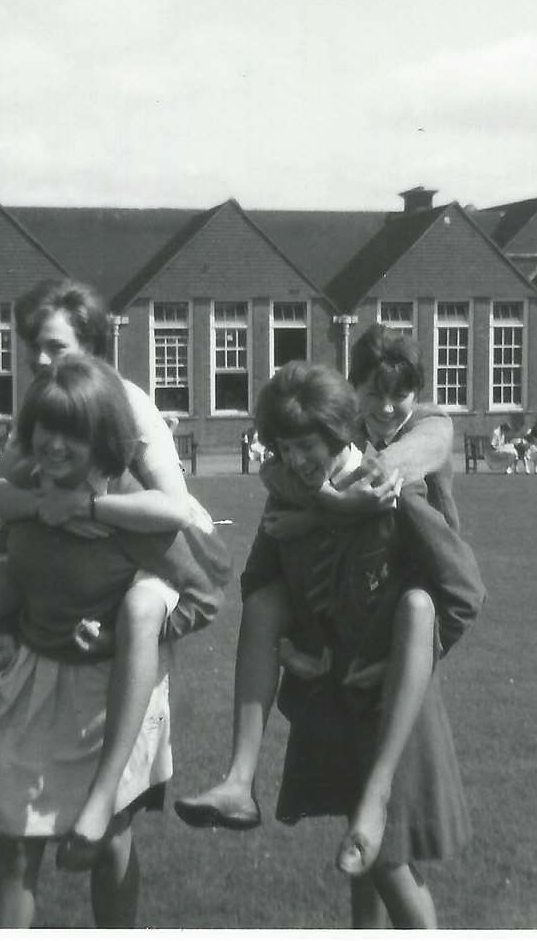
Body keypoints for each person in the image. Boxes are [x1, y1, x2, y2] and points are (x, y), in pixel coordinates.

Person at [0, 279, 229, 850]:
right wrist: (48, 504)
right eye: (34, 345)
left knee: (138, 610)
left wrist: (89, 505)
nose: (39, 359)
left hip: (153, 542)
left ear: (92, 345)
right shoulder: (47, 400)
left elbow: (173, 508)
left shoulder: (127, 403)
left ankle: (108, 790)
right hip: (75, 533)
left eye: (56, 347)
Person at [180, 361, 484, 928]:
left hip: (395, 710)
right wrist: (292, 642)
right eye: (283, 447)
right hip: (335, 699)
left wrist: (406, 660)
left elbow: (463, 592)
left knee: (390, 862)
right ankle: (237, 782)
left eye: (307, 446)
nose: (296, 460)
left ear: (339, 434)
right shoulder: (288, 502)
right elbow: (260, 585)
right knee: (364, 861)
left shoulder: (390, 494)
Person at [0, 354, 215, 927]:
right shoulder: (33, 491)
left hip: (112, 700)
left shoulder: (132, 508)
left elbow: (204, 598)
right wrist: (7, 634)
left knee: (109, 838)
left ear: (103, 439)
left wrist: (119, 633)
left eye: (73, 433)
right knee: (17, 837)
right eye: (45, 428)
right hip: (35, 688)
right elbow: (22, 575)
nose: (55, 446)